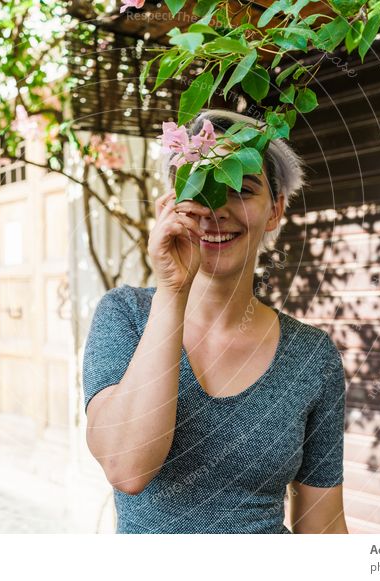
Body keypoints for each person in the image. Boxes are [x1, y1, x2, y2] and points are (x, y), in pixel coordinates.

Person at [82, 109, 349, 534]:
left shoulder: (311, 356)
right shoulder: (125, 316)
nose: (215, 210)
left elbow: (324, 529)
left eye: (242, 189)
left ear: (275, 211)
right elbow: (126, 468)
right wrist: (172, 291)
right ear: (170, 205)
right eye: (199, 188)